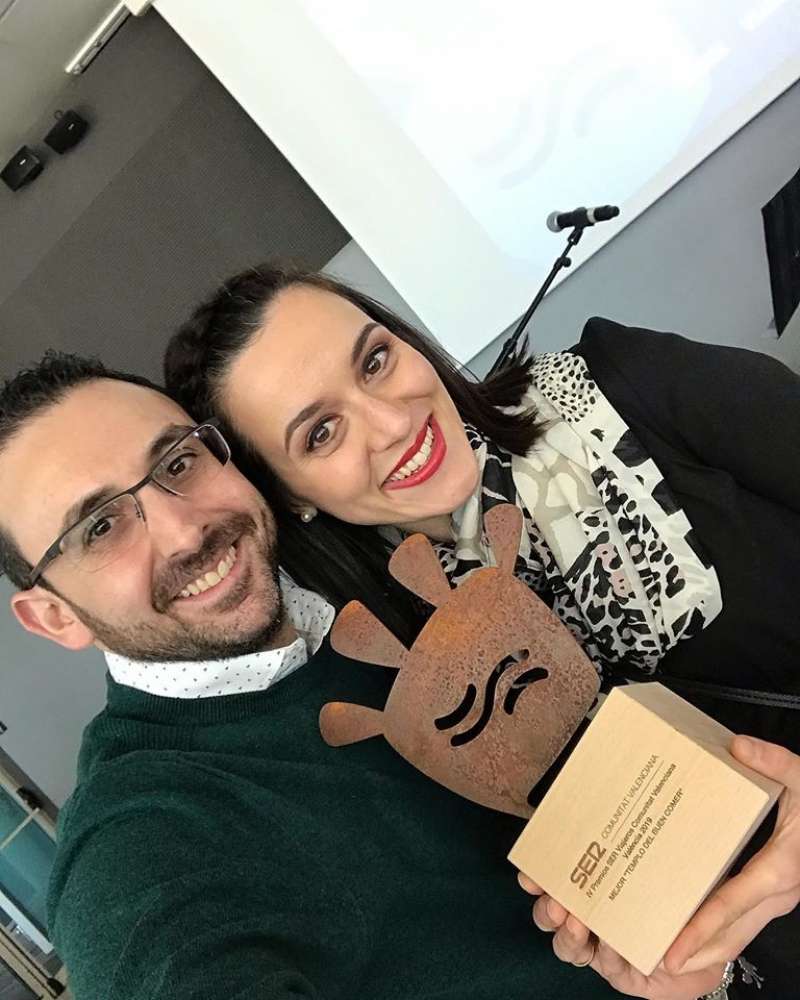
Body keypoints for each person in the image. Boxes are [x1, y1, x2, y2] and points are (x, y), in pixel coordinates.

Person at [161, 261, 800, 996]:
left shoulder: (617, 386)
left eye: (375, 361)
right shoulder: (398, 694)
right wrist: (684, 976)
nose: (393, 423)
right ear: (289, 498)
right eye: (322, 433)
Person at [1, 352, 658, 1000]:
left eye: (177, 462)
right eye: (101, 527)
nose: (185, 532)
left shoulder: (375, 563)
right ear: (55, 617)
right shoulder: (134, 852)